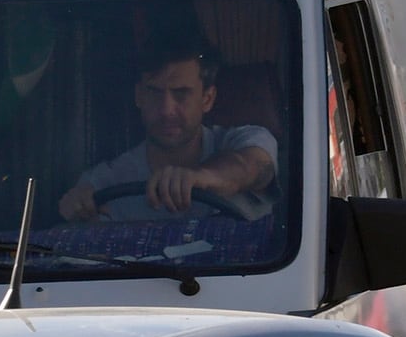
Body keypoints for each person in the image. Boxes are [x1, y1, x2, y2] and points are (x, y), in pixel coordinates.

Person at [58, 43, 276, 221]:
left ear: (207, 99)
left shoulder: (248, 140)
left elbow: (252, 166)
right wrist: (78, 210)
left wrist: (199, 177)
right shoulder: (103, 183)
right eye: (154, 93)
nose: (166, 110)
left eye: (181, 94)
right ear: (139, 97)